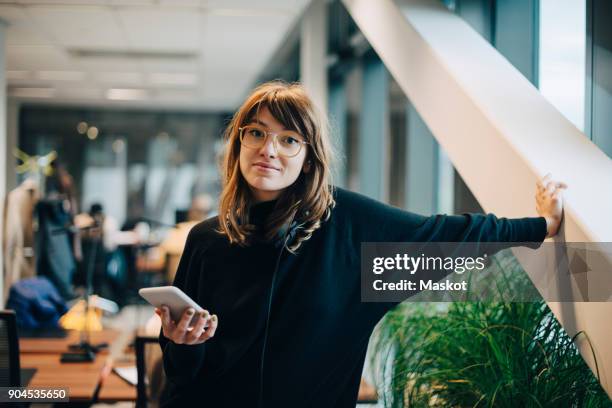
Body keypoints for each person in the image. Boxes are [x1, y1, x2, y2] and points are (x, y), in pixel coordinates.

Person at [156, 81, 566, 407]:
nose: (268, 150)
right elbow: (180, 372)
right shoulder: (206, 240)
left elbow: (447, 232)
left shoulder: (347, 225)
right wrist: (183, 343)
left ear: (309, 158)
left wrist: (541, 225)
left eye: (288, 140)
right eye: (257, 133)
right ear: (239, 144)